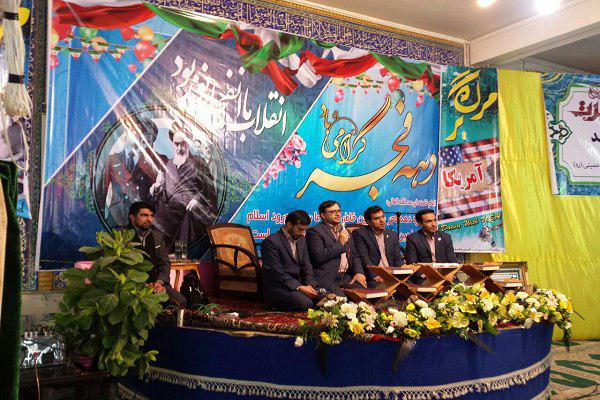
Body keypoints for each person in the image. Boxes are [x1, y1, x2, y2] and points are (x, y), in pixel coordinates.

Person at [151, 128, 217, 251]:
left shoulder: (198, 162)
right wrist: (157, 186)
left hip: (188, 209)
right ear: (173, 144)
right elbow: (163, 190)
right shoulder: (169, 164)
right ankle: (160, 256)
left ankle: (180, 255)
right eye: (177, 144)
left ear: (188, 144)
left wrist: (197, 199)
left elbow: (209, 188)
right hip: (169, 209)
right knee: (156, 219)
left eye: (183, 143)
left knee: (188, 219)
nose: (180, 147)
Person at [306, 200, 374, 296]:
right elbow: (319, 256)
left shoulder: (345, 231)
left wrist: (359, 272)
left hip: (345, 276)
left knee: (365, 296)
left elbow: (354, 255)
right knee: (342, 300)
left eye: (339, 211)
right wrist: (340, 243)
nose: (337, 214)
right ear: (323, 215)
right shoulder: (315, 232)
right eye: (332, 212)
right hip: (327, 277)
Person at [262, 210, 325, 311]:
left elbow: (306, 265)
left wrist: (309, 284)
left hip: (299, 283)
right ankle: (275, 305)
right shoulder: (271, 242)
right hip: (280, 286)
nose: (303, 233)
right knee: (306, 304)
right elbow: (276, 272)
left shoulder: (302, 240)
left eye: (305, 230)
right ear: (289, 225)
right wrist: (300, 287)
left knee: (325, 299)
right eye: (300, 229)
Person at [128, 201, 187, 307]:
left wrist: (159, 282)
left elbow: (164, 263)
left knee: (180, 302)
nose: (149, 219)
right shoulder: (123, 237)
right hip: (133, 286)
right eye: (144, 215)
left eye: (151, 216)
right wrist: (144, 285)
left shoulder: (157, 236)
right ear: (132, 218)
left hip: (156, 283)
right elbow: (122, 269)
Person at [353, 206, 404, 280]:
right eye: (377, 218)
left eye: (383, 217)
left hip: (392, 274)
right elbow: (364, 258)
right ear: (368, 222)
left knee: (409, 285)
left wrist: (404, 267)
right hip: (374, 276)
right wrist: (375, 276)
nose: (382, 220)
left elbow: (397, 259)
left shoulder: (392, 235)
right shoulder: (360, 234)